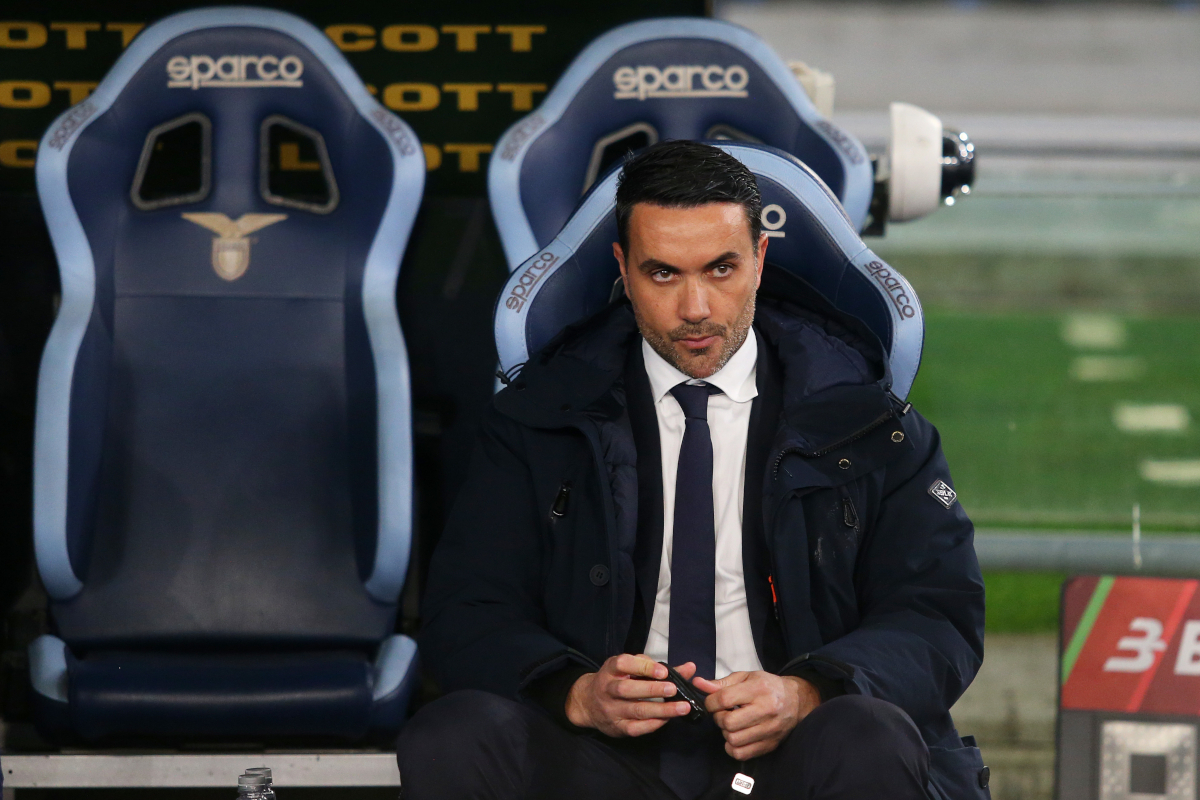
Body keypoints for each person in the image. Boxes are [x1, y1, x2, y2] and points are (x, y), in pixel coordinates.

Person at [399, 141, 988, 800]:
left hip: (794, 749)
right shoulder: (539, 418)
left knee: (867, 735)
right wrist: (575, 693)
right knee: (452, 735)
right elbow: (465, 611)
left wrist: (809, 690)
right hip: (603, 757)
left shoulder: (870, 423)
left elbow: (938, 618)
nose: (697, 308)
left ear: (761, 262)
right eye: (664, 275)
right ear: (623, 269)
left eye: (721, 269)